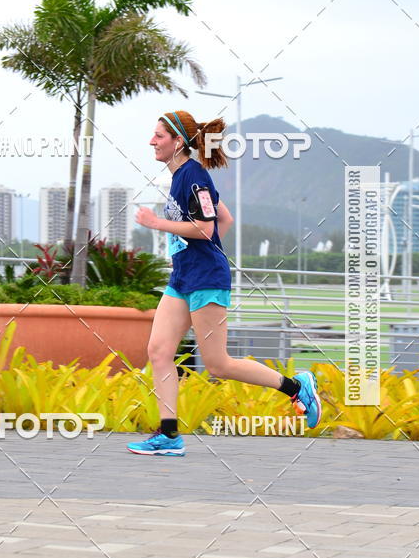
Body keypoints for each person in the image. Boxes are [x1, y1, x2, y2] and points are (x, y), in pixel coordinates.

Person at [126, 110, 321, 457]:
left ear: (178, 142)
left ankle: (296, 386)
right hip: (183, 278)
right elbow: (224, 218)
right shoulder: (178, 177)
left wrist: (158, 224)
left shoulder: (193, 176)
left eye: (158, 136)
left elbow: (206, 227)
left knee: (218, 364)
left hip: (205, 280)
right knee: (158, 351)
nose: (151, 141)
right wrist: (201, 253)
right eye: (153, 135)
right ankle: (169, 437)